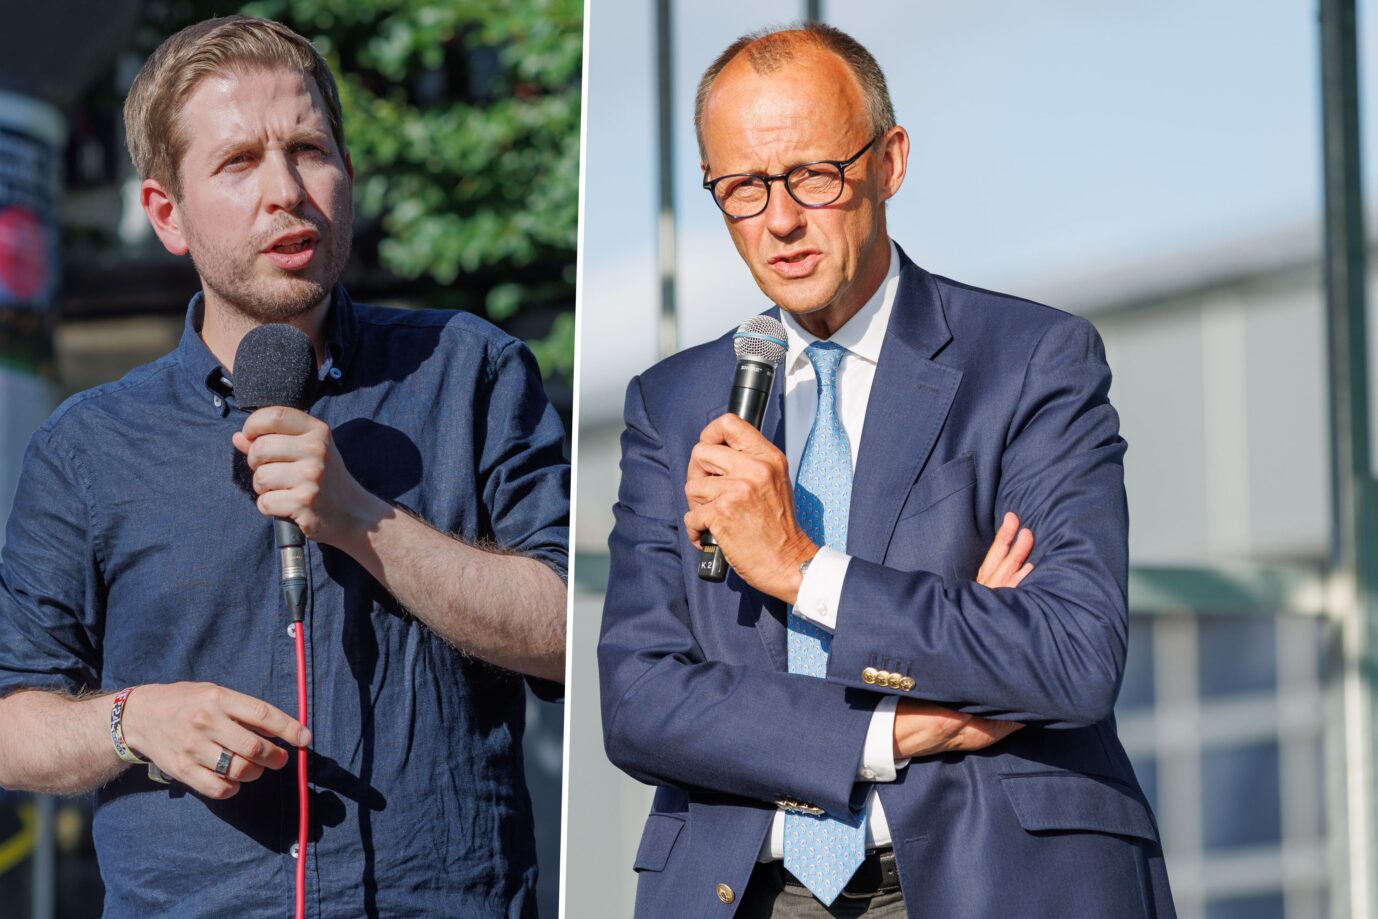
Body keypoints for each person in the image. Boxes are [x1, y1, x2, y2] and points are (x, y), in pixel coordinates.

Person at [598, 23, 1175, 918]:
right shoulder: (673, 404)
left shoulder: (1029, 361)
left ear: (890, 161)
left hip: (990, 877)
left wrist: (801, 568)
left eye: (812, 176)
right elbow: (640, 698)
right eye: (742, 189)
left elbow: (1069, 653)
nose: (780, 220)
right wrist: (894, 729)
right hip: (745, 886)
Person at [0, 16, 567, 918]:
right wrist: (132, 719)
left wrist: (360, 519)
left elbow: (573, 633)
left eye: (309, 149)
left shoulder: (470, 370)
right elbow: (10, 719)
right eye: (238, 163)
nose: (286, 191)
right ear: (165, 214)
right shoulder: (86, 446)